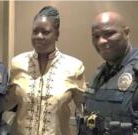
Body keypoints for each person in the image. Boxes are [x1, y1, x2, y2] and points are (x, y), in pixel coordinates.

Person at [6, 6, 86, 135]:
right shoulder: (17, 63)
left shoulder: (74, 67)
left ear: (57, 34)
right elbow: (6, 104)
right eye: (35, 31)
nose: (39, 36)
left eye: (45, 32)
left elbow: (84, 112)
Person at [77, 11, 138, 135]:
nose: (101, 41)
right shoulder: (98, 75)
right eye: (96, 36)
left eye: (109, 34)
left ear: (126, 33)